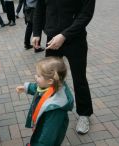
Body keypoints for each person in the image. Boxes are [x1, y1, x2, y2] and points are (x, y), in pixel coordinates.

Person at [32, 0, 95, 134]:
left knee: (79, 79)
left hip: (75, 40)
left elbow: (85, 15)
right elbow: (39, 9)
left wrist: (64, 35)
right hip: (52, 38)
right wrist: (36, 32)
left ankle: (84, 115)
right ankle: (50, 111)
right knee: (50, 77)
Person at [16, 57, 74, 146]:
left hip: (45, 135)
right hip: (41, 124)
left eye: (39, 76)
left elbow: (47, 138)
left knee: (40, 138)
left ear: (50, 81)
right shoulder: (52, 85)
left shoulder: (55, 109)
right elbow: (38, 88)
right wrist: (26, 88)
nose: (35, 77)